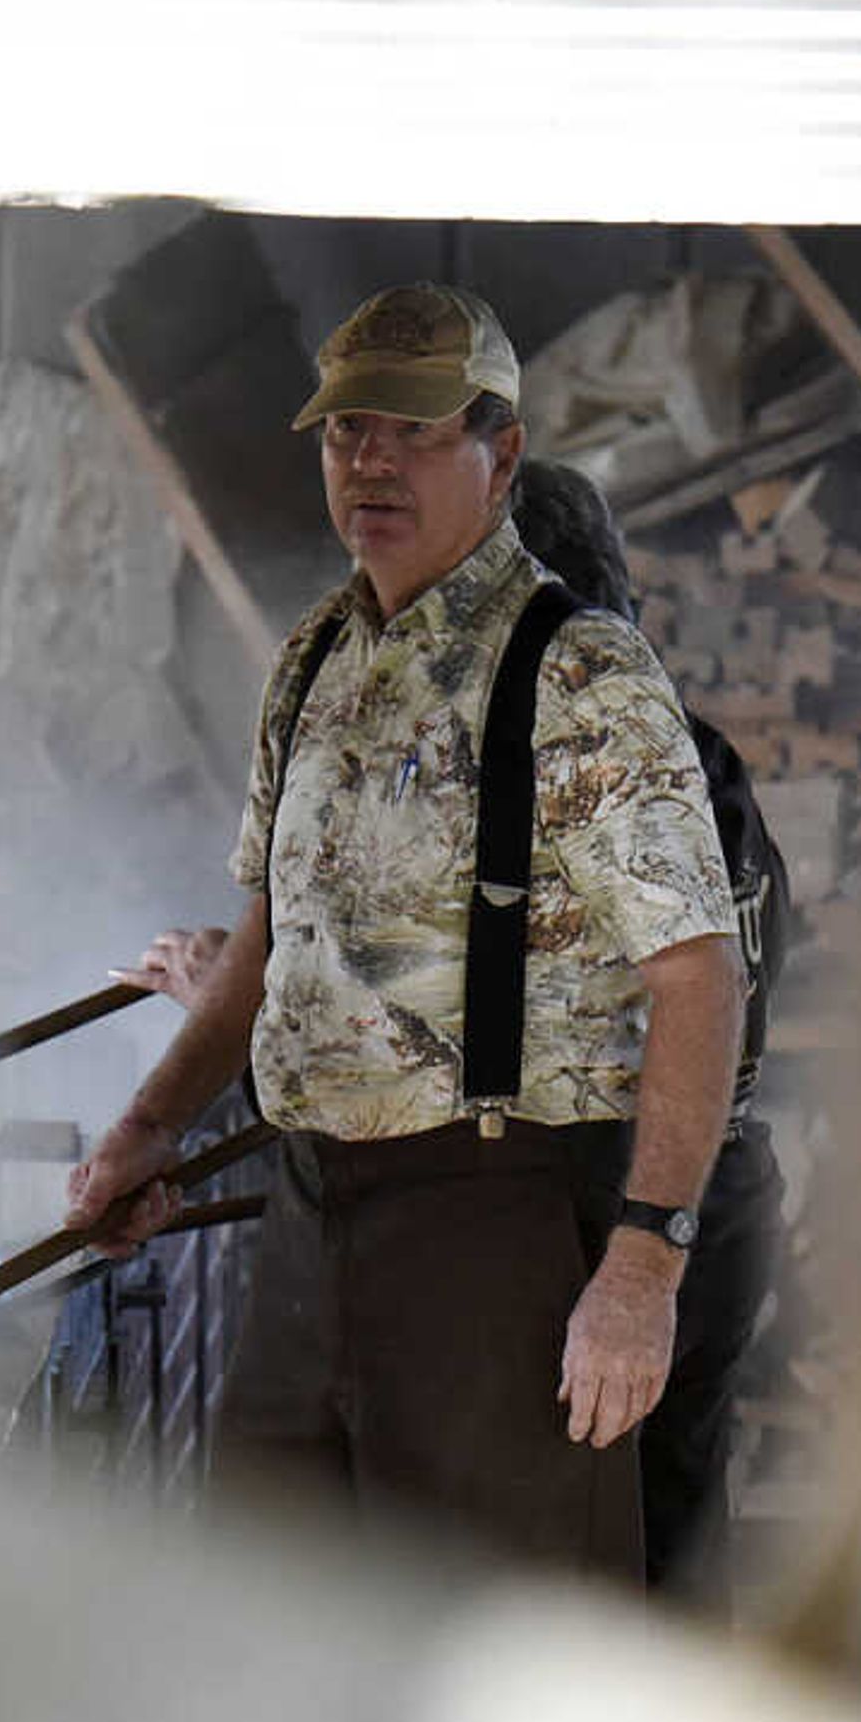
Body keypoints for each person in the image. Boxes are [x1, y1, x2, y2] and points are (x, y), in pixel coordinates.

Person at [62, 285, 744, 1580]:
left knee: (506, 1666)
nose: (371, 460)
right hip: (307, 1217)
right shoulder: (312, 659)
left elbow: (701, 981)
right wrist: (151, 1127)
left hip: (495, 1241)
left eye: (415, 431)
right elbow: (266, 939)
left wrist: (647, 1266)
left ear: (503, 455)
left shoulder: (580, 677)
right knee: (273, 1628)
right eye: (347, 430)